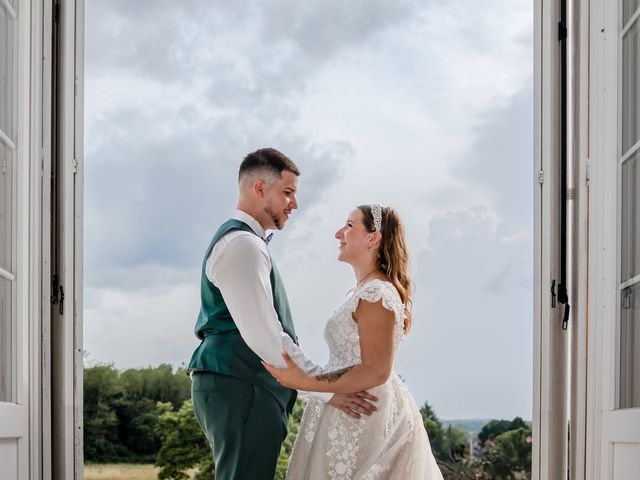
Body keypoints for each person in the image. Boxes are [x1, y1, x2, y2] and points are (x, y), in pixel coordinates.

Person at [187, 148, 377, 480]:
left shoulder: (245, 243)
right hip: (242, 383)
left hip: (241, 384)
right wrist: (323, 387)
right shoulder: (242, 245)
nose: (295, 204)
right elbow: (266, 335)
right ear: (260, 188)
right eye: (287, 193)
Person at [264, 204, 444, 479]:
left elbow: (376, 369)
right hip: (349, 408)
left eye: (349, 225)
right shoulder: (364, 291)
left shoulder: (376, 293)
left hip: (364, 413)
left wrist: (302, 382)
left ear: (373, 238)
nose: (339, 233)